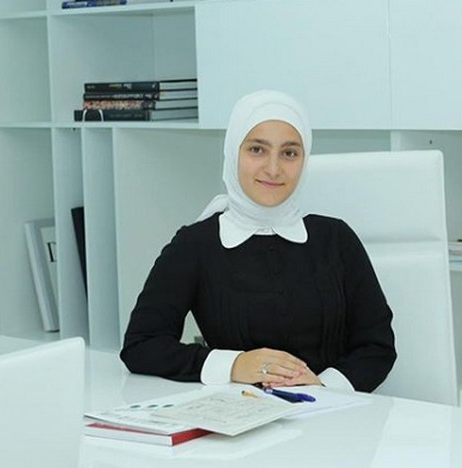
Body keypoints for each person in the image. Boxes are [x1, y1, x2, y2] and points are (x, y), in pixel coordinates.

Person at [120, 90, 396, 393]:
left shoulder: (336, 239)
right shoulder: (196, 245)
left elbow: (377, 346)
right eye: (257, 150)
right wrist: (234, 364)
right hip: (239, 414)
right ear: (233, 153)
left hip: (334, 410)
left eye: (289, 153)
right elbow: (141, 345)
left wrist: (323, 387)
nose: (273, 169)